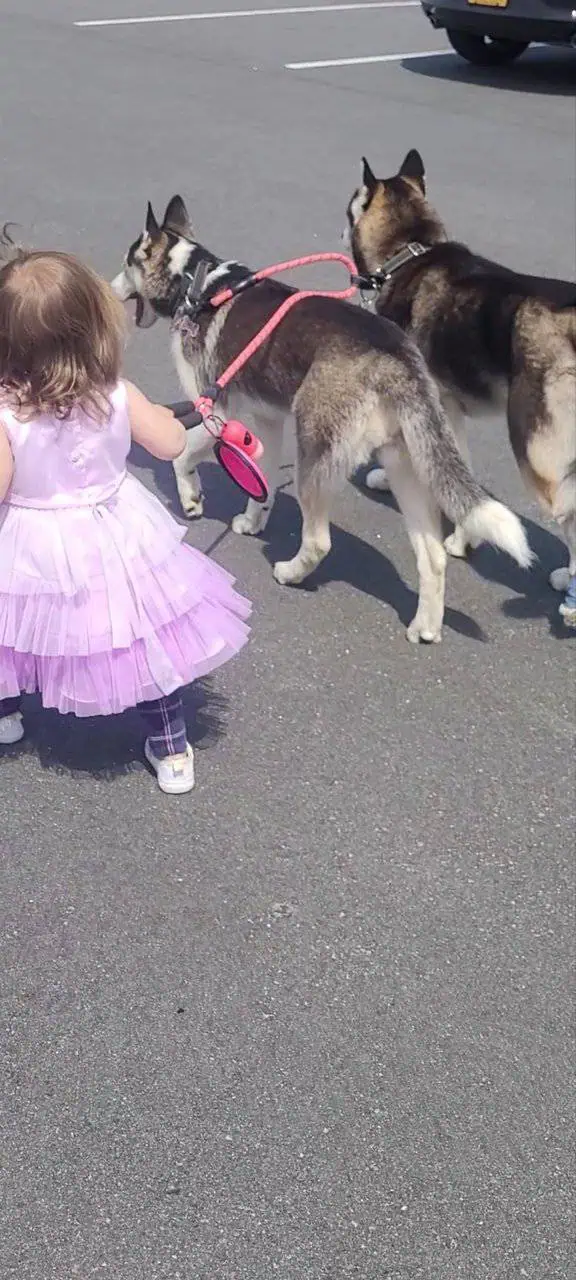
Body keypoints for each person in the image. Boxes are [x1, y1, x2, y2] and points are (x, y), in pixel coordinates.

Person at [0, 248, 251, 794]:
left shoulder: (5, 414)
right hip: (117, 531)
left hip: (33, 542)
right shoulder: (117, 393)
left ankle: (7, 712)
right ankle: (171, 748)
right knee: (139, 639)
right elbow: (172, 443)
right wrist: (168, 415)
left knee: (13, 627)